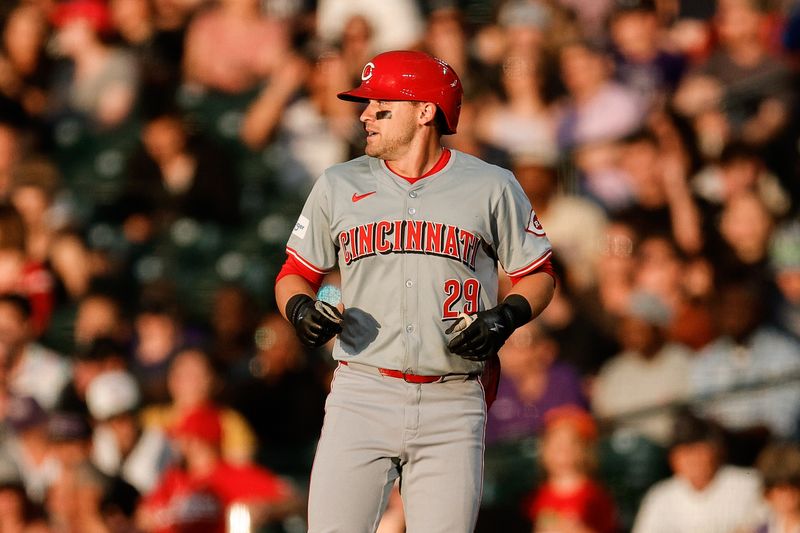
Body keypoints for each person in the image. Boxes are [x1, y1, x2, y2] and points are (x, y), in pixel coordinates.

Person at [274, 50, 556, 533]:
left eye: (381, 105)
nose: (364, 114)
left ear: (426, 111)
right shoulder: (338, 183)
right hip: (361, 389)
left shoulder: (491, 185)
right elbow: (293, 273)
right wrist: (299, 308)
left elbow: (540, 274)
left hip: (453, 396)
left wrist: (506, 315)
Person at [632, 411, 766, 533]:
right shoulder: (660, 498)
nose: (692, 460)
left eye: (698, 451)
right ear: (673, 459)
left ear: (716, 451)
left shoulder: (748, 484)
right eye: (684, 453)